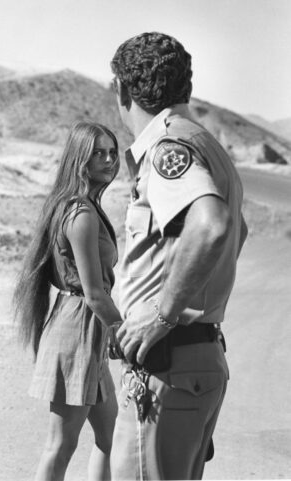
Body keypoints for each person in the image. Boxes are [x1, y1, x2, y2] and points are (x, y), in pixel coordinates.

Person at [109, 32, 248, 480]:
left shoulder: (169, 148)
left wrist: (163, 313)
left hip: (167, 366)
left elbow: (213, 226)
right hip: (197, 361)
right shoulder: (206, 144)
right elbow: (237, 230)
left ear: (124, 90)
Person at [13, 121, 123, 481]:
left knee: (112, 438)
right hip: (77, 331)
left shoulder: (83, 205)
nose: (108, 160)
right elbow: (93, 293)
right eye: (98, 153)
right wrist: (123, 332)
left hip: (86, 331)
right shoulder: (81, 214)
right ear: (80, 159)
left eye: (112, 152)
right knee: (60, 445)